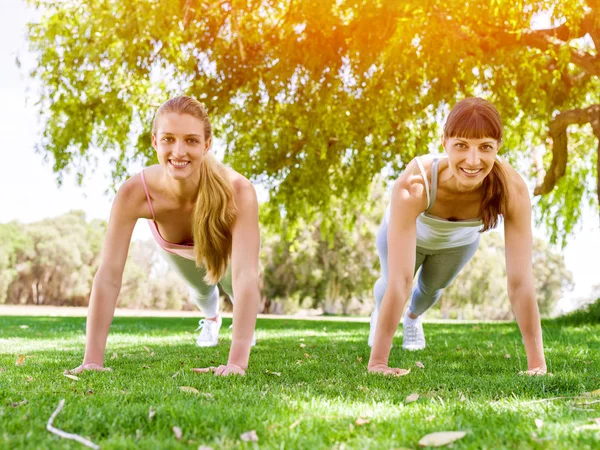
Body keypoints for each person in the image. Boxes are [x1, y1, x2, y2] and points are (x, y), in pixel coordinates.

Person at [68, 96, 261, 376]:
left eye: (191, 141)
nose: (179, 151)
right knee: (201, 291)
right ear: (155, 142)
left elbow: (246, 276)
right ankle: (212, 318)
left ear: (207, 145)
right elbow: (109, 275)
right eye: (169, 139)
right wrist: (92, 361)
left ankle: (243, 324)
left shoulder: (239, 191)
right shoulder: (133, 193)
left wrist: (236, 364)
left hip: (226, 249)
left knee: (235, 286)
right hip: (175, 250)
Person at [367, 97, 548, 376]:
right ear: (444, 142)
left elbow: (520, 282)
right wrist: (378, 363)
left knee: (430, 290)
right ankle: (380, 319)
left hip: (457, 242)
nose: (473, 161)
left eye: (485, 147)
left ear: (498, 147)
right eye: (461, 145)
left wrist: (537, 365)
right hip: (410, 233)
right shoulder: (415, 182)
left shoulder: (512, 189)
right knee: (393, 281)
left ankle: (412, 320)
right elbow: (403, 281)